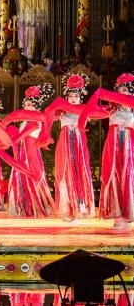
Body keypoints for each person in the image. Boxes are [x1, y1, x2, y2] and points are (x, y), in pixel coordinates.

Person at [49, 71, 97, 221]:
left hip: (79, 143)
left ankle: (80, 204)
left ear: (81, 97)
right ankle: (67, 207)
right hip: (65, 142)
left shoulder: (85, 109)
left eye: (76, 96)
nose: (73, 98)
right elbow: (48, 114)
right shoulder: (61, 109)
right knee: (66, 170)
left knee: (79, 170)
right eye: (70, 96)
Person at [4, 84, 54, 218]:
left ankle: (35, 206)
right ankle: (24, 206)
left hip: (30, 151)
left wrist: (14, 139)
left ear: (36, 106)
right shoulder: (26, 121)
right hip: (23, 151)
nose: (27, 107)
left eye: (30, 105)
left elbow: (26, 133)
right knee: (21, 174)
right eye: (26, 105)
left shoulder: (35, 120)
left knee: (32, 173)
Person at [99, 73, 134, 230]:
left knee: (127, 176)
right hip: (113, 147)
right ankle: (118, 216)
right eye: (119, 89)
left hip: (128, 147)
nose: (121, 92)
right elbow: (93, 111)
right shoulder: (111, 108)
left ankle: (128, 214)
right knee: (114, 175)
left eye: (125, 90)